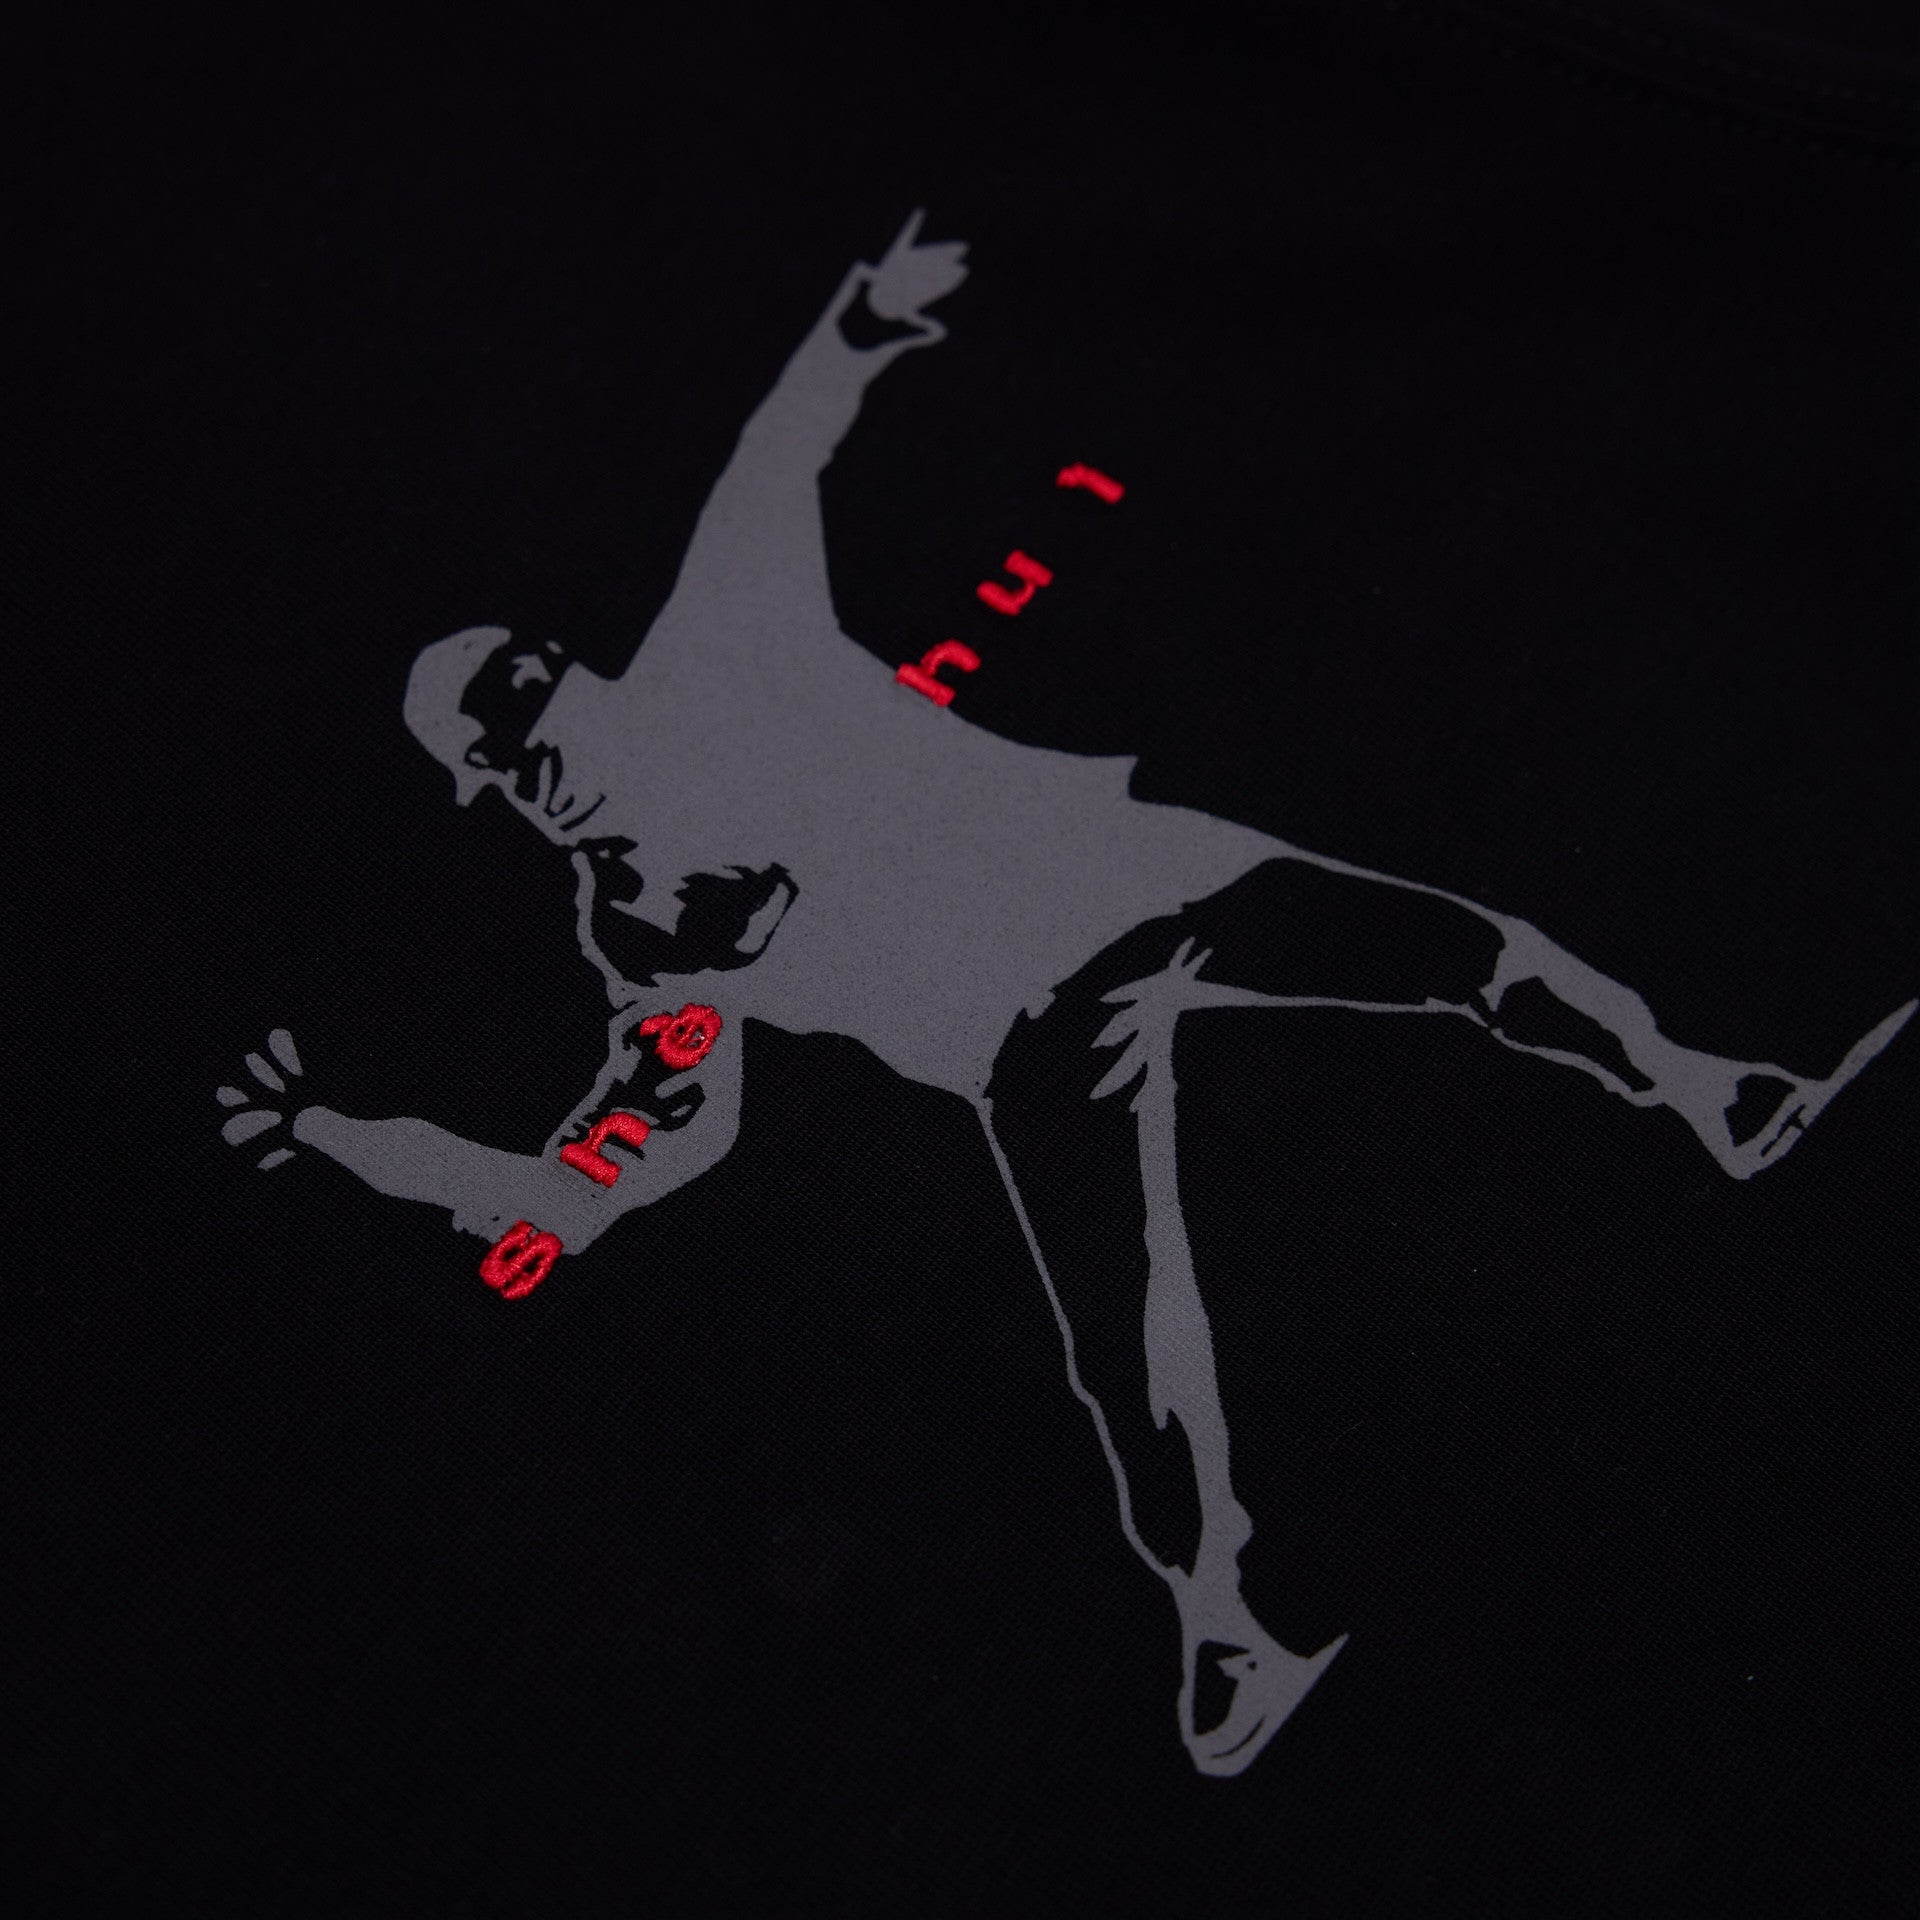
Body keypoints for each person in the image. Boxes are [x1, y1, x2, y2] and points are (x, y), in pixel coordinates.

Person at [219, 213, 1912, 1776]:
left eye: (530, 724)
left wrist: (864, 317)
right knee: (1128, 1343)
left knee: (1456, 953)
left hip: (1130, 873)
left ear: (563, 670)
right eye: (505, 773)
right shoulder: (636, 940)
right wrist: (358, 1142)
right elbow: (615, 1168)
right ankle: (1222, 1634)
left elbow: (774, 462)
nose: (539, 775)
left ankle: (1718, 1093)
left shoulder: (721, 643)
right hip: (1033, 1045)